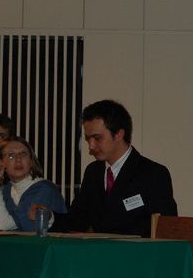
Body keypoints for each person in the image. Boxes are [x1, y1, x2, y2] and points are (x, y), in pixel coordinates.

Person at [47, 99, 177, 237]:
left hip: (137, 250)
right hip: (99, 250)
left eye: (97, 138)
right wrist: (48, 217)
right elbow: (78, 220)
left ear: (119, 134)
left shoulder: (153, 173)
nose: (91, 145)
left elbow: (167, 229)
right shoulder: (93, 172)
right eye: (88, 139)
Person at [0, 136, 67, 231]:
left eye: (23, 154)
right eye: (11, 155)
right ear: (1, 163)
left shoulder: (44, 189)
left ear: (31, 161)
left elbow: (5, 227)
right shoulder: (5, 190)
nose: (18, 159)